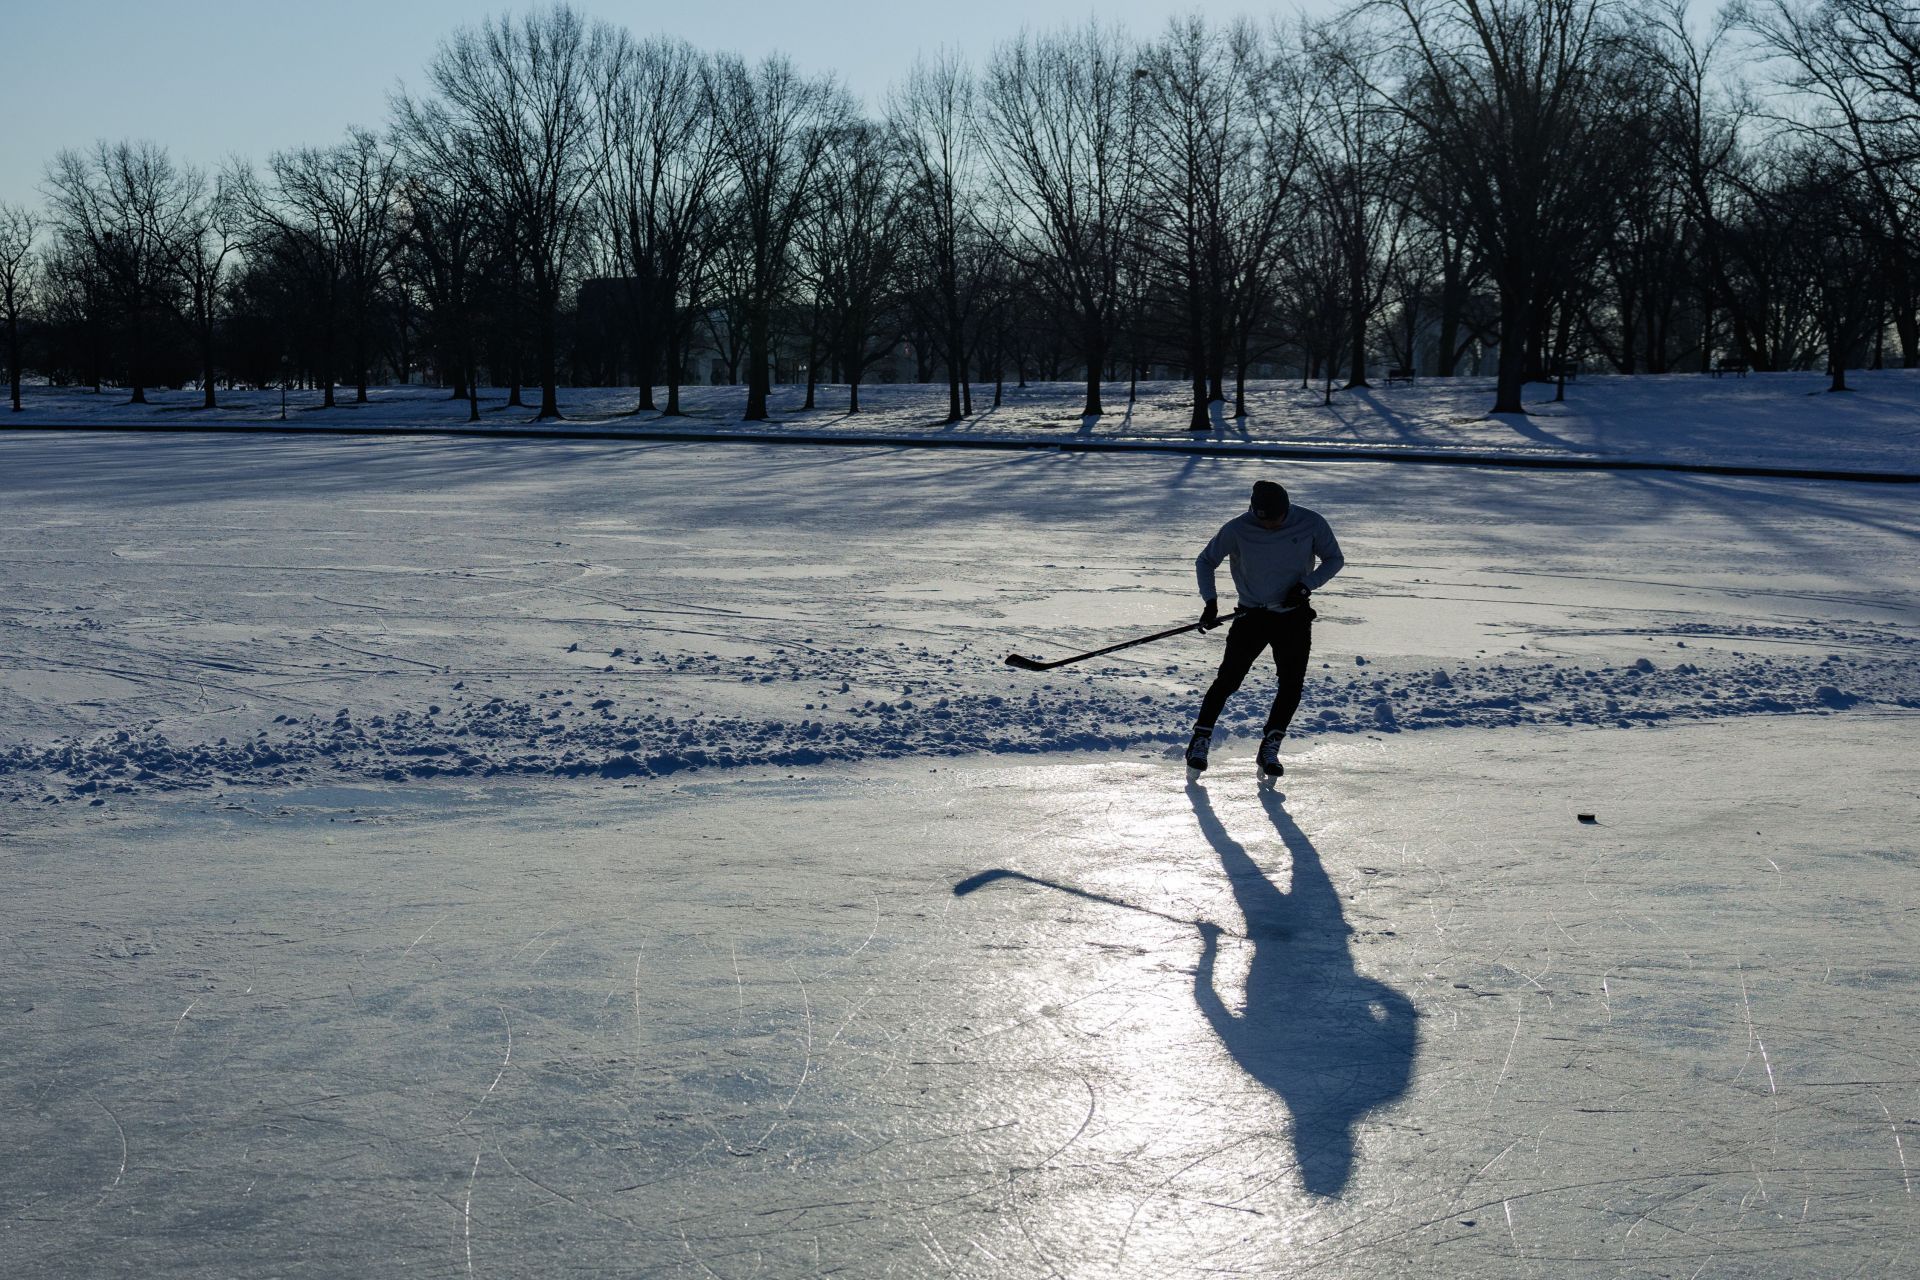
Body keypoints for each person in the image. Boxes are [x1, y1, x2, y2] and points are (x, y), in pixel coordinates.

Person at [1187, 479, 1345, 776]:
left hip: (1293, 617)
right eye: (1263, 519)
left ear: (1286, 510)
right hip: (1251, 617)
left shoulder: (1310, 522)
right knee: (1228, 681)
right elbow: (1205, 561)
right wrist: (1210, 603)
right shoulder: (1237, 528)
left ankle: (1271, 745)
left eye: (1275, 519)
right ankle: (1201, 738)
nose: (1270, 525)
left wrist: (1305, 586)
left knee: (1291, 684)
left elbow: (1334, 559)